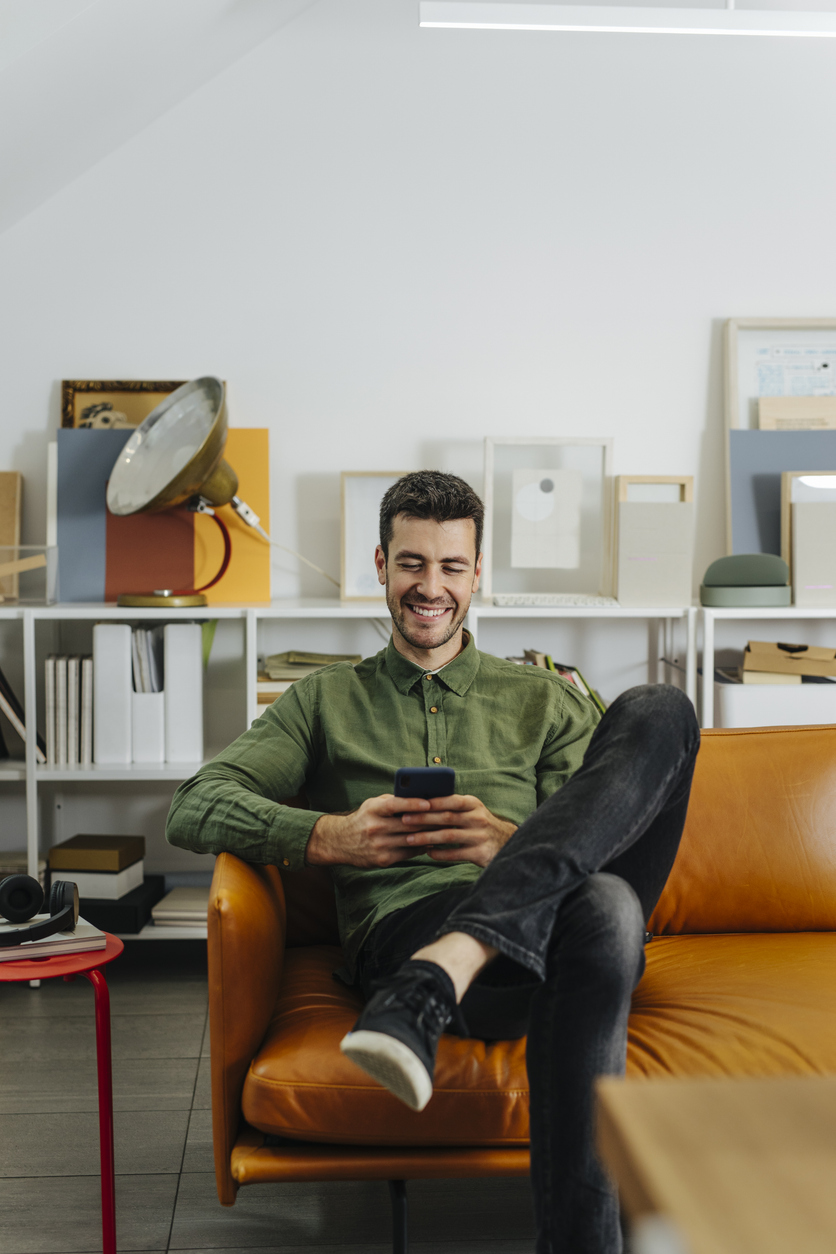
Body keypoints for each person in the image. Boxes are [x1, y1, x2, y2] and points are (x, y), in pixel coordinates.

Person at [166, 470, 699, 1254]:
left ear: (478, 574)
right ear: (380, 566)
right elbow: (195, 803)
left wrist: (510, 844)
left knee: (661, 710)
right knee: (609, 913)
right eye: (412, 563)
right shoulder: (322, 701)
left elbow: (610, 839)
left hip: (550, 942)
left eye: (452, 567)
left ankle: (438, 977)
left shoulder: (545, 698)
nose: (431, 587)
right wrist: (330, 837)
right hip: (417, 928)